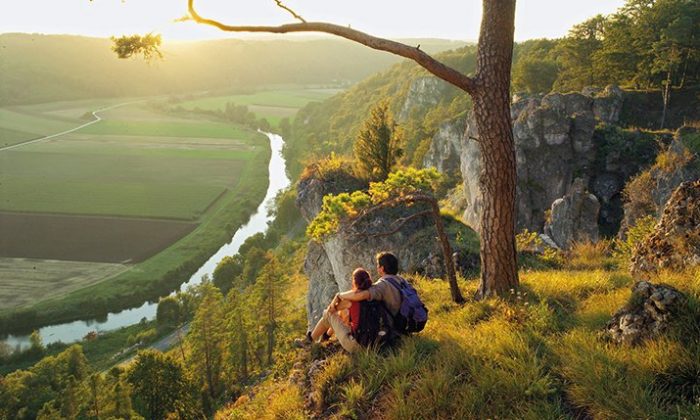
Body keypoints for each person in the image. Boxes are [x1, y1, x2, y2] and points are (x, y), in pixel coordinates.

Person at [308, 268, 373, 353]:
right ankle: (326, 337)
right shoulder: (372, 294)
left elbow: (331, 310)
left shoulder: (351, 300)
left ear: (354, 282)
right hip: (373, 342)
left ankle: (309, 340)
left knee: (327, 314)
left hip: (357, 346)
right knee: (344, 313)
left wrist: (337, 298)